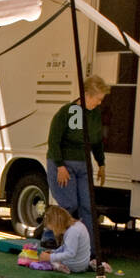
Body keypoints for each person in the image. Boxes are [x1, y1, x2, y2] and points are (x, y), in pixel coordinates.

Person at [45, 74, 109, 247]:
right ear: (86, 95)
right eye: (98, 99)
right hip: (64, 163)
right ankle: (49, 235)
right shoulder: (66, 112)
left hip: (83, 165)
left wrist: (101, 163)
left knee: (88, 206)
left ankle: (89, 246)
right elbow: (54, 141)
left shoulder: (95, 114)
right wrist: (59, 166)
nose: (99, 102)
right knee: (69, 203)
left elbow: (96, 141)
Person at [38, 205, 92, 274]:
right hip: (83, 264)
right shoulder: (77, 225)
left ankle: (60, 267)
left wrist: (50, 257)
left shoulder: (72, 232)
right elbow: (67, 246)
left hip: (75, 266)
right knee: (54, 258)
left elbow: (70, 253)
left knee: (50, 262)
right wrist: (54, 252)